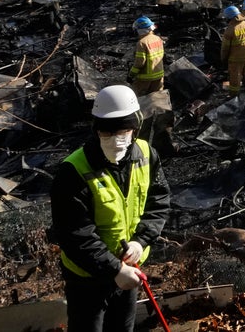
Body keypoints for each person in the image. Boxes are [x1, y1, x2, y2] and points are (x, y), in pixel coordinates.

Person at [50, 85, 170, 332]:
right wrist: (114, 268)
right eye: (108, 132)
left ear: (135, 127)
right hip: (87, 277)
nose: (116, 138)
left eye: (123, 131)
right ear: (96, 129)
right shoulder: (73, 171)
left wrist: (141, 241)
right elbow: (75, 234)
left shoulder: (146, 155)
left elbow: (157, 202)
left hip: (129, 269)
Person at [220, 5, 245, 98]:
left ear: (229, 17)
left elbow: (225, 49)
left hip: (236, 60)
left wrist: (223, 59)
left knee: (235, 79)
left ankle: (234, 98)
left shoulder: (230, 30)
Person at [127, 17, 165, 96]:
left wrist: (131, 75)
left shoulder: (141, 43)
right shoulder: (158, 39)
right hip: (159, 74)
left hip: (145, 77)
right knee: (157, 98)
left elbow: (140, 63)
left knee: (136, 96)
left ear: (140, 30)